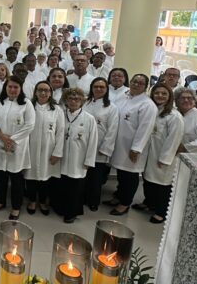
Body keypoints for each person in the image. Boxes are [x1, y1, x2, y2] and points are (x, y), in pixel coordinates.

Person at [107, 73, 158, 215]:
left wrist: (136, 148)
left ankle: (125, 203)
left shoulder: (147, 105)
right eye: (134, 81)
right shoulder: (125, 97)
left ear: (146, 87)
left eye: (140, 83)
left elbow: (145, 129)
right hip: (120, 144)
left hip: (132, 147)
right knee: (121, 173)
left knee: (129, 176)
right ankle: (119, 196)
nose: (136, 84)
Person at [136, 84, 183, 224]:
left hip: (163, 156)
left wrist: (165, 158)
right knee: (148, 180)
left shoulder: (174, 116)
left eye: (164, 93)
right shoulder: (153, 111)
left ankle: (161, 212)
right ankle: (149, 203)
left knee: (162, 184)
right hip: (150, 153)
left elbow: (174, 139)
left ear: (170, 97)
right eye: (157, 93)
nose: (160, 96)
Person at [0, 75, 35, 220]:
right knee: (1, 176)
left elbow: (30, 125)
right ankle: (0, 201)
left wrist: (11, 140)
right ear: (5, 87)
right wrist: (2, 136)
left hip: (17, 146)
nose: (13, 89)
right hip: (0, 142)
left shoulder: (26, 103)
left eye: (16, 87)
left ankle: (16, 207)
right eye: (10, 86)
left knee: (16, 179)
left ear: (21, 89)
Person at [25, 81, 65, 215]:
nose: (43, 93)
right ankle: (32, 200)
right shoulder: (29, 107)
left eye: (46, 90)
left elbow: (60, 132)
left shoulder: (57, 110)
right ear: (35, 92)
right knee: (30, 175)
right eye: (40, 90)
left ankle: (42, 201)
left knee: (46, 176)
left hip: (49, 149)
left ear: (50, 93)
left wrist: (57, 152)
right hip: (30, 147)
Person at [59, 87, 98, 223]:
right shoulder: (61, 115)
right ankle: (61, 208)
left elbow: (93, 141)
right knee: (62, 185)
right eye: (70, 98)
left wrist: (89, 161)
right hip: (62, 157)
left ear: (82, 101)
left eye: (77, 99)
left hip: (79, 159)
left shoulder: (89, 119)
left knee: (75, 187)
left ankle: (72, 212)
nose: (73, 101)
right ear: (66, 100)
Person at [82, 78, 119, 211]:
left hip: (99, 146)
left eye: (102, 87)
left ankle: (93, 201)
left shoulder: (111, 107)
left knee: (96, 177)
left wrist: (105, 148)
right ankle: (82, 198)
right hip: (83, 145)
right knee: (83, 174)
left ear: (106, 89)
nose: (98, 89)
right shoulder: (85, 103)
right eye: (96, 86)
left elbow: (113, 129)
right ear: (91, 88)